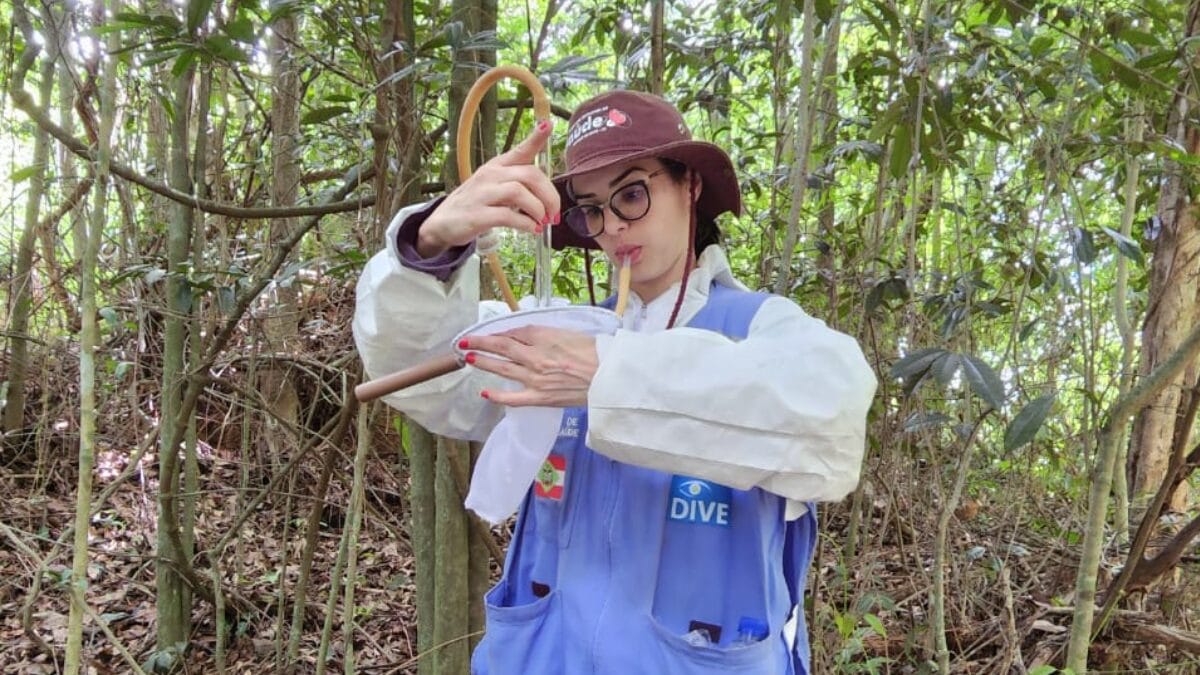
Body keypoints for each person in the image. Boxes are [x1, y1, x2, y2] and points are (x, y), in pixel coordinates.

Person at [353, 90, 876, 674]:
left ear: (690, 187)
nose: (612, 228)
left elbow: (832, 416)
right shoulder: (558, 335)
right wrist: (432, 243)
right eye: (593, 209)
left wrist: (607, 375)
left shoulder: (763, 329)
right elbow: (412, 369)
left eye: (632, 194)